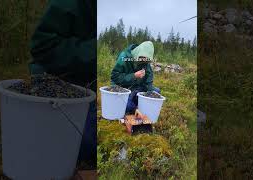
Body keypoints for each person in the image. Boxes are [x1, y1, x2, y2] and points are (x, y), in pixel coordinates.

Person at [29, 0, 96, 170]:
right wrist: (93, 52)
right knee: (87, 143)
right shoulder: (71, 4)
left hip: (89, 87)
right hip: (57, 81)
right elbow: (41, 46)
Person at [111, 41, 160, 113]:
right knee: (129, 106)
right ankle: (134, 105)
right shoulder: (124, 57)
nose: (143, 61)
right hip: (122, 88)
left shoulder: (145, 61)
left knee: (156, 92)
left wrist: (149, 94)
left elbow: (149, 78)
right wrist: (134, 76)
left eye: (146, 59)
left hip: (136, 88)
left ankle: (137, 102)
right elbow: (115, 77)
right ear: (138, 52)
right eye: (142, 58)